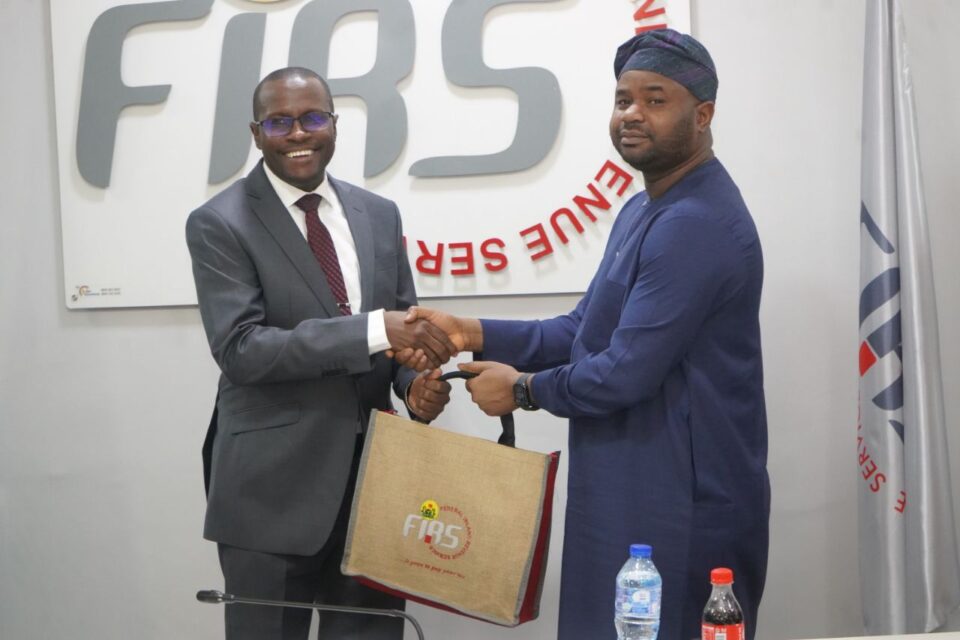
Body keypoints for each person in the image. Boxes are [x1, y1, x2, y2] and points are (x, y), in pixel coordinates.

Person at [394, 29, 769, 640]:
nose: (632, 115)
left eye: (655, 100)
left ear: (702, 115)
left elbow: (624, 371)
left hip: (680, 502)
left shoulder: (697, 223)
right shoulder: (644, 208)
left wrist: (522, 392)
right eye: (623, 100)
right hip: (624, 486)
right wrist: (469, 331)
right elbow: (580, 331)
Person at [185, 67, 455, 640]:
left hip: (375, 495)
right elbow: (242, 350)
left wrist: (415, 387)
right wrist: (374, 330)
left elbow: (399, 338)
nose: (298, 133)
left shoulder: (378, 216)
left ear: (333, 124)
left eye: (312, 118)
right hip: (269, 496)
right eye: (279, 122)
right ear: (257, 134)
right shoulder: (218, 223)